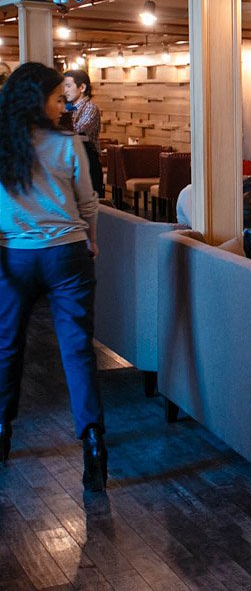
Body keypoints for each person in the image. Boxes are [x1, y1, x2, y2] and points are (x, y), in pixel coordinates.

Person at [0, 62, 107, 490]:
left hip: (15, 257)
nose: (62, 106)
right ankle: (93, 442)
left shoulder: (3, 145)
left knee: (7, 347)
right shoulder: (68, 143)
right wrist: (91, 240)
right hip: (67, 256)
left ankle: (2, 430)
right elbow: (88, 203)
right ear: (36, 99)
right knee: (78, 351)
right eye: (56, 98)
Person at [62, 69, 105, 196]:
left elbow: (78, 130)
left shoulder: (91, 108)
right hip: (71, 159)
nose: (65, 90)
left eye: (68, 86)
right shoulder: (67, 107)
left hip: (88, 159)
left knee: (90, 198)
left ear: (82, 87)